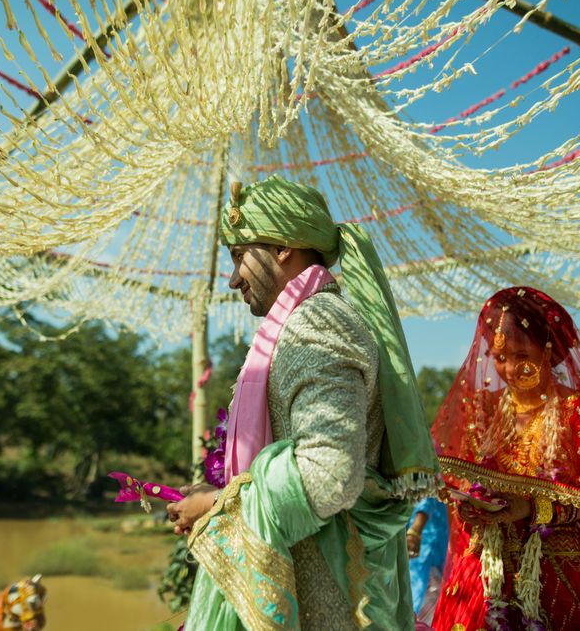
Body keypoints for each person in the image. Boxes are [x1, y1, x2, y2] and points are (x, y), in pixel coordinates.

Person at [166, 175, 440, 630]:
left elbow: (329, 473)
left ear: (283, 248)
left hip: (329, 599)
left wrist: (221, 505)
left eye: (239, 257)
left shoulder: (316, 325)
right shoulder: (303, 322)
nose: (233, 279)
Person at [430, 286, 580, 631]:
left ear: (549, 350)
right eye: (499, 357)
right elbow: (462, 478)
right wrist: (469, 505)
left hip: (556, 570)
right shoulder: (484, 409)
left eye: (521, 355)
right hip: (486, 570)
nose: (510, 369)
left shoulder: (575, 409)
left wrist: (537, 510)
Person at [406, 497, 449, 623]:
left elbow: (429, 496)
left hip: (426, 544)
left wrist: (415, 530)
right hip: (422, 542)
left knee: (421, 598)